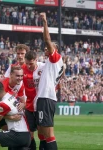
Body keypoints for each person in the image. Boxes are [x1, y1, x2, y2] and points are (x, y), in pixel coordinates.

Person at [35, 12, 64, 150]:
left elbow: (47, 39)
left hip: (46, 98)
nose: (46, 48)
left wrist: (45, 22)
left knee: (48, 134)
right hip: (45, 98)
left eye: (50, 47)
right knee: (41, 131)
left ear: (55, 49)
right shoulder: (50, 63)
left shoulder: (56, 58)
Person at [22, 50, 45, 150]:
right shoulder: (22, 69)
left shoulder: (44, 67)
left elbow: (61, 67)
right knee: (30, 131)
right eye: (27, 63)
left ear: (36, 60)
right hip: (29, 105)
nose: (28, 66)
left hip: (41, 104)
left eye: (31, 63)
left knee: (42, 130)